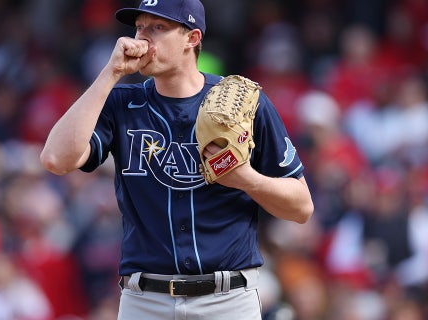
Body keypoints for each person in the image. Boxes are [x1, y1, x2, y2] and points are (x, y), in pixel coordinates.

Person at [40, 0, 314, 318]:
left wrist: (245, 179)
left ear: (192, 38)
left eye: (158, 27)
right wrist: (109, 74)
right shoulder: (121, 104)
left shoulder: (242, 104)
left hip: (226, 300)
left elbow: (302, 207)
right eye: (140, 27)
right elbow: (56, 159)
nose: (143, 38)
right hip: (145, 301)